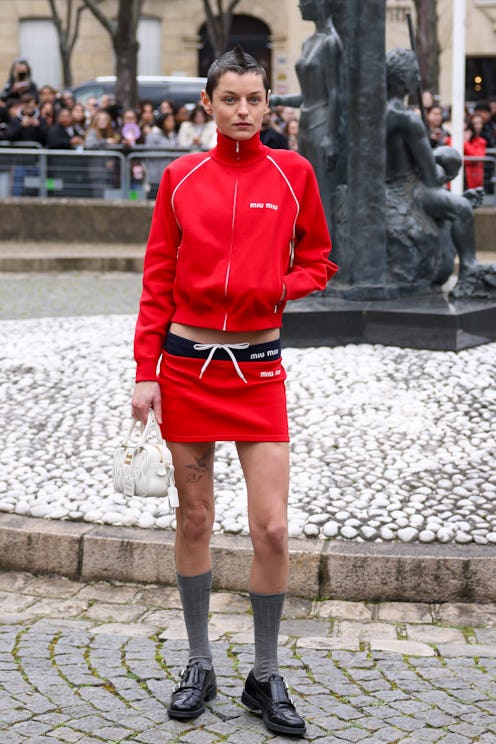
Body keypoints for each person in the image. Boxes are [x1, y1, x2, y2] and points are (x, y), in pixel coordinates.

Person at [131, 45, 337, 737]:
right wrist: (144, 372)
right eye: (231, 100)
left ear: (269, 103)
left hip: (258, 372)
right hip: (187, 366)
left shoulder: (295, 173)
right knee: (193, 518)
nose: (244, 111)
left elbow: (320, 259)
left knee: (272, 527)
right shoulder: (181, 178)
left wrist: (278, 286)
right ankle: (198, 662)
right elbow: (158, 276)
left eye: (255, 99)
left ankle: (265, 673)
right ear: (208, 104)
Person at [386, 48, 495, 295]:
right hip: (408, 189)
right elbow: (431, 175)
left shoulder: (375, 113)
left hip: (387, 186)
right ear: (403, 78)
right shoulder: (407, 119)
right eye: (415, 74)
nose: (417, 79)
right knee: (461, 208)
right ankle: (469, 268)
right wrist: (448, 166)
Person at [269, 0, 343, 232]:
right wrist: (278, 100)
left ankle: (329, 255)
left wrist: (332, 136)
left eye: (305, 2)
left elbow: (336, 93)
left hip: (322, 125)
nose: (300, 6)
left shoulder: (332, 42)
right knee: (305, 191)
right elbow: (307, 95)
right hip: (306, 122)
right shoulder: (308, 41)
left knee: (323, 193)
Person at [463, 113, 487, 190]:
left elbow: (477, 157)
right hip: (457, 180)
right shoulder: (453, 140)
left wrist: (465, 143)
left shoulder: (480, 141)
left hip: (473, 180)